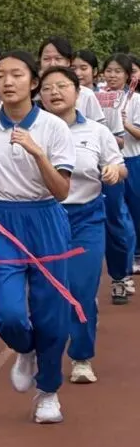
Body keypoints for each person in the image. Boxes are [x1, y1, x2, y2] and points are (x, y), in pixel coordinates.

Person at [0, 51, 74, 424]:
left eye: (16, 75)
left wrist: (37, 153)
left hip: (45, 218)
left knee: (52, 314)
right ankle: (24, 348)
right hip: (0, 221)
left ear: (33, 82)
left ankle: (48, 392)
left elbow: (62, 190)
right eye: (0, 75)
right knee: (8, 312)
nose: (7, 82)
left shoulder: (53, 128)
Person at [38, 65, 125, 384]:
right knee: (45, 292)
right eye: (47, 88)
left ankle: (81, 357)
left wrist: (116, 172)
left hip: (86, 216)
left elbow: (116, 163)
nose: (55, 93)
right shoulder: (34, 130)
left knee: (82, 288)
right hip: (44, 217)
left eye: (62, 86)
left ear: (78, 92)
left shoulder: (96, 132)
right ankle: (42, 351)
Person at [100, 53, 137, 303]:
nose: (112, 76)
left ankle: (124, 270)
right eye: (108, 71)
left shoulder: (135, 100)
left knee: (124, 216)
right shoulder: (95, 97)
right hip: (100, 165)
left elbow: (131, 137)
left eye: (117, 71)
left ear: (127, 76)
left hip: (130, 161)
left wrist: (124, 127)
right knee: (112, 216)